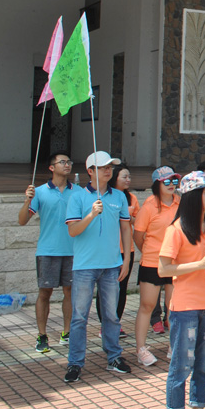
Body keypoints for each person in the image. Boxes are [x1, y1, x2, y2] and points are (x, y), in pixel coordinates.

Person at [63, 151, 132, 383]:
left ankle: (114, 357)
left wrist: (127, 259)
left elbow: (126, 229)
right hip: (84, 266)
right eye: (102, 167)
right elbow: (73, 231)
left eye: (110, 166)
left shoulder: (119, 196)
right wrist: (92, 214)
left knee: (111, 316)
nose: (108, 170)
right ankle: (75, 363)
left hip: (112, 265)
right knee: (79, 317)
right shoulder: (77, 197)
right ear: (90, 171)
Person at [158, 171, 205, 409]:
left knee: (203, 364)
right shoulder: (176, 230)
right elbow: (164, 268)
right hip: (185, 306)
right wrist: (199, 265)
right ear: (193, 197)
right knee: (181, 365)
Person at [19, 151, 77, 353]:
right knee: (45, 292)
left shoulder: (77, 191)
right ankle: (42, 335)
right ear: (52, 167)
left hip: (72, 250)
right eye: (62, 162)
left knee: (70, 292)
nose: (67, 165)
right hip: (48, 250)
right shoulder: (39, 192)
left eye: (69, 162)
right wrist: (27, 200)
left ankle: (67, 332)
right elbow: (22, 220)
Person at [133, 166, 181, 367]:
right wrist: (149, 251)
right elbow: (138, 235)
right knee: (147, 305)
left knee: (174, 306)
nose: (171, 185)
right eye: (166, 182)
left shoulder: (180, 203)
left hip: (175, 262)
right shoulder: (149, 206)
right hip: (152, 262)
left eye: (174, 181)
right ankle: (141, 349)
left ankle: (173, 345)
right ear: (156, 185)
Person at [98, 164, 139, 334]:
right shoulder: (105, 196)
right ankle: (104, 324)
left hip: (126, 249)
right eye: (124, 177)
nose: (128, 180)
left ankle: (116, 323)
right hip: (108, 248)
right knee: (105, 289)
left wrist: (127, 217)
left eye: (129, 177)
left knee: (122, 288)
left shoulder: (132, 198)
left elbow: (138, 221)